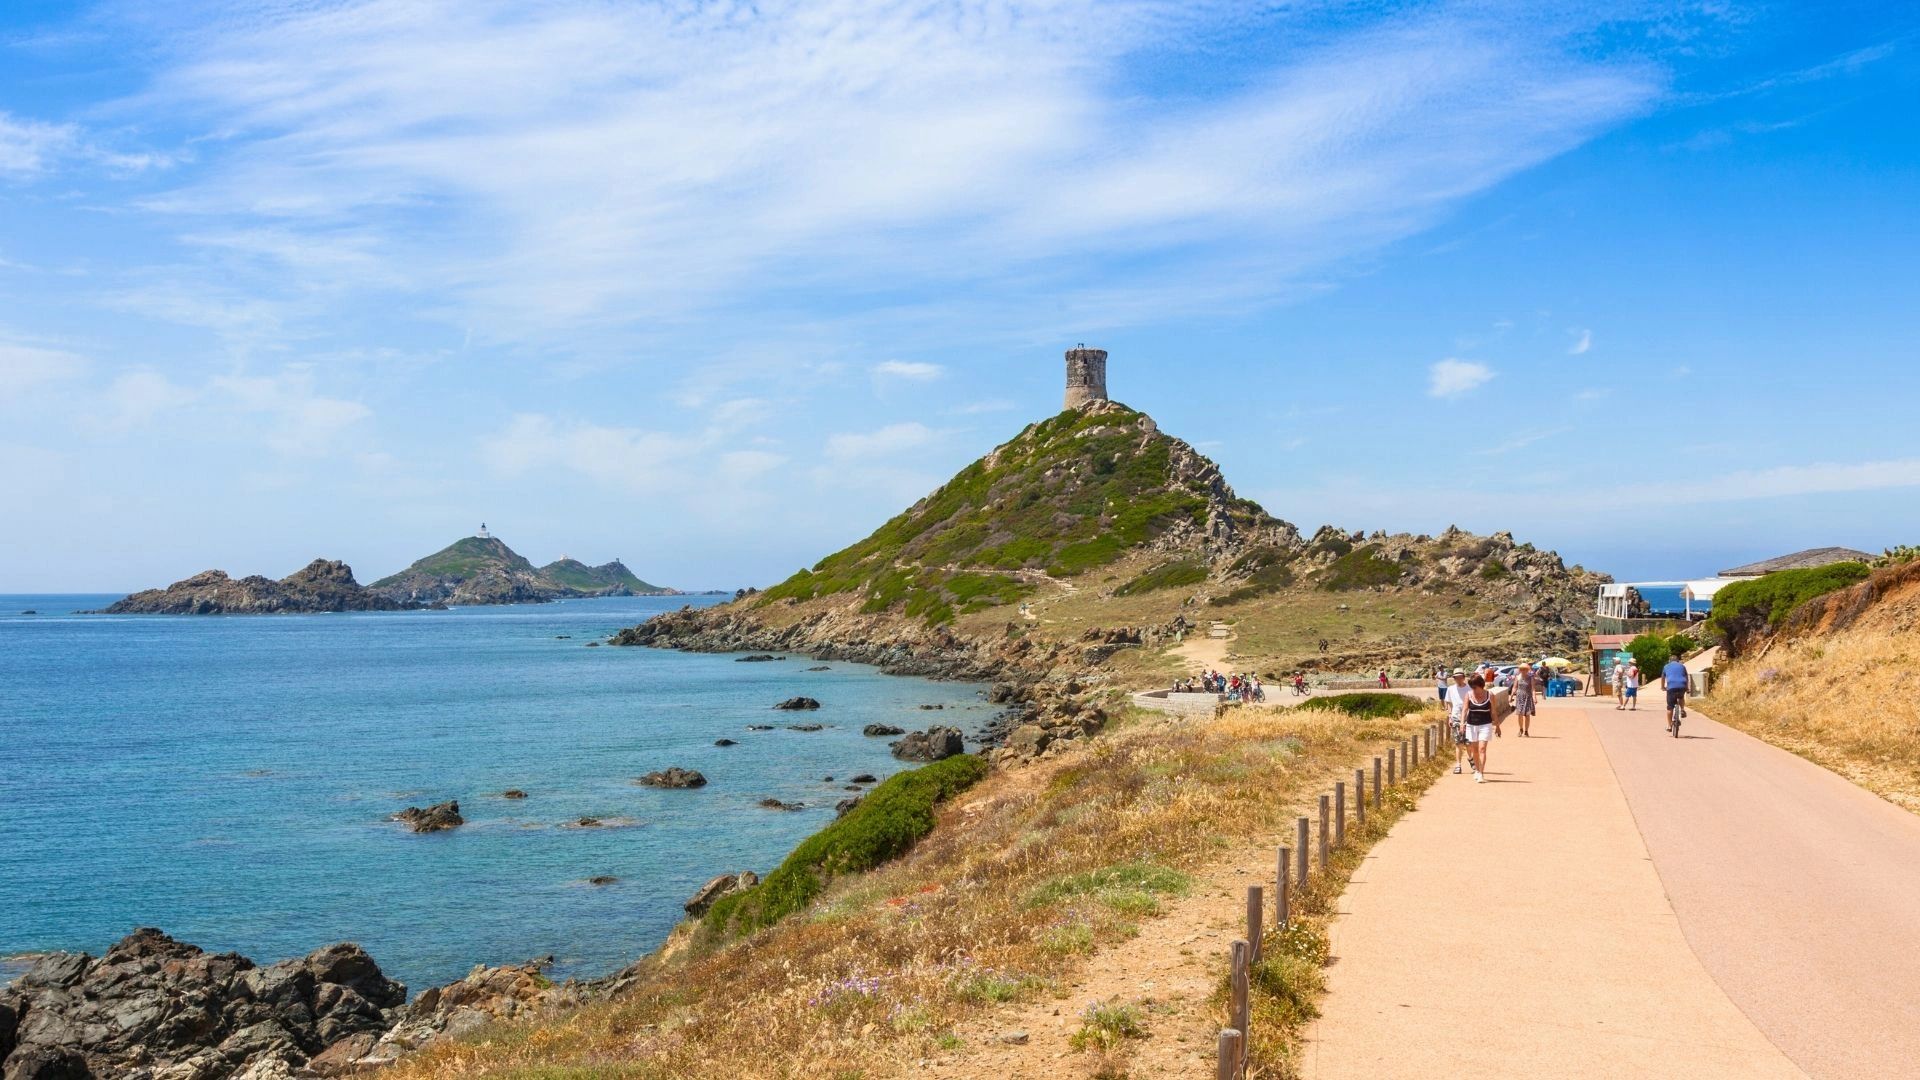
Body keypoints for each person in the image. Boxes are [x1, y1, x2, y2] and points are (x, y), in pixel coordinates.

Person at [1460, 673, 1495, 782]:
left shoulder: (1490, 695)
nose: (1474, 689)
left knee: (1482, 749)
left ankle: (1481, 773)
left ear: (1481, 685)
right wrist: (1462, 724)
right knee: (1474, 750)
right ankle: (1477, 770)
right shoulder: (1469, 695)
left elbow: (1493, 711)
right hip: (1472, 725)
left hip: (1486, 724)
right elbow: (1465, 710)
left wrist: (1497, 725)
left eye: (1475, 687)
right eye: (1472, 687)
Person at [1446, 669, 1472, 774]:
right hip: (1456, 717)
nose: (1458, 679)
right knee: (1458, 743)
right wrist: (1449, 716)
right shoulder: (1450, 689)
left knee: (1469, 743)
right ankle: (1458, 765)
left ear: (1463, 677)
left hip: (1468, 718)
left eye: (1460, 677)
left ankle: (1470, 758)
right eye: (1456, 677)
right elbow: (1448, 703)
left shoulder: (1469, 689)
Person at [1510, 661, 1537, 736]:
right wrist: (1511, 696)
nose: (1523, 670)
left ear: (1527, 670)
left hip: (1528, 697)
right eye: (1522, 669)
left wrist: (1534, 697)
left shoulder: (1530, 678)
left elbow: (1533, 689)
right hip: (1519, 697)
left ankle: (1526, 731)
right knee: (1520, 714)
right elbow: (1514, 687)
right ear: (1520, 670)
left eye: (1525, 669)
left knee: (1527, 715)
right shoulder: (1517, 677)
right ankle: (1521, 729)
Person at [1663, 655, 1690, 721]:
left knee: (1670, 707)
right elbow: (1686, 678)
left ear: (1669, 661)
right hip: (1682, 685)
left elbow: (1663, 678)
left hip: (1671, 687)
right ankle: (1682, 709)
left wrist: (1663, 687)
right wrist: (1687, 688)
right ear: (1678, 661)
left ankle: (1669, 726)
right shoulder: (1682, 666)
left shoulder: (1666, 666)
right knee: (1681, 697)